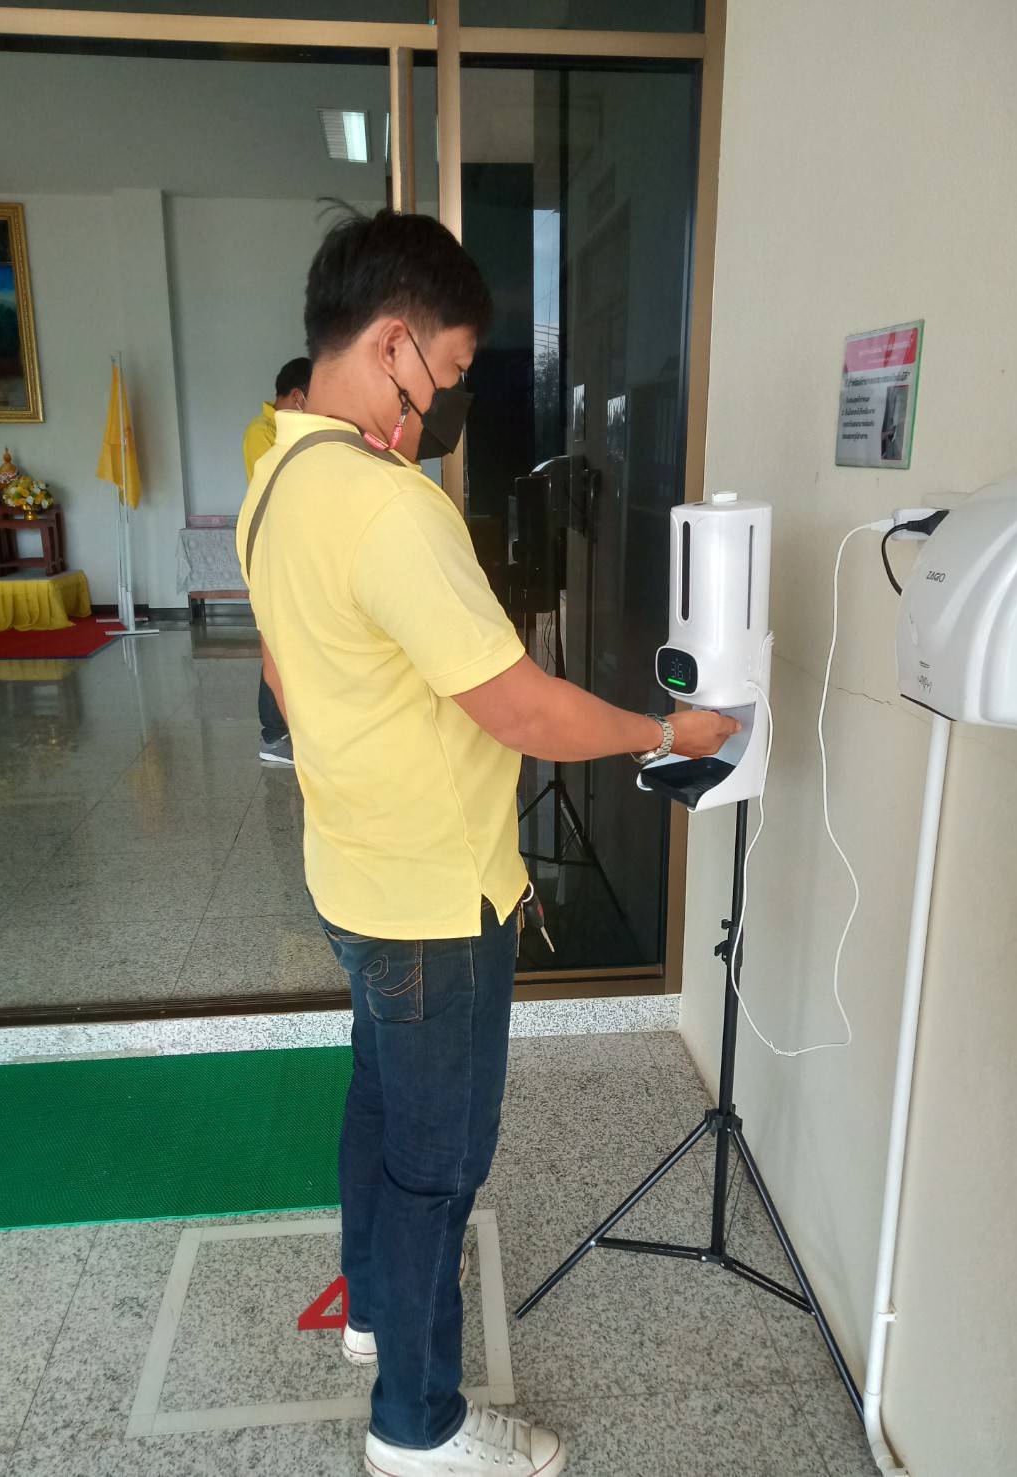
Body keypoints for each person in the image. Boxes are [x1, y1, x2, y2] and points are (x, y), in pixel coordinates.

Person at [237, 208, 739, 1477]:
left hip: (353, 874)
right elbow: (519, 706)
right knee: (437, 1167)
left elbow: (290, 679)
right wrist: (664, 729)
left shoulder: (274, 479)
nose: (445, 406)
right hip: (432, 899)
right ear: (391, 344)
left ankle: (370, 1312)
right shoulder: (387, 506)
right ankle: (418, 1425)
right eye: (449, 373)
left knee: (378, 1106)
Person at [243, 356, 311, 765]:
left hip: (293, 548)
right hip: (274, 550)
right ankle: (273, 736)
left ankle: (292, 726)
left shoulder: (286, 431)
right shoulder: (262, 432)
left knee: (291, 642)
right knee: (276, 642)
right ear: (299, 397)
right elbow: (277, 485)